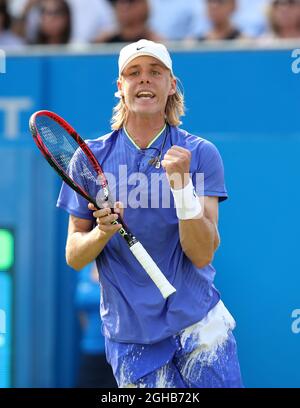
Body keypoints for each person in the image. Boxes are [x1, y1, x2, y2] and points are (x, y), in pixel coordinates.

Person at [57, 39, 243, 388]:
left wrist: (182, 187)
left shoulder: (200, 154)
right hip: (131, 339)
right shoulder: (87, 160)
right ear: (120, 87)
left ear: (171, 85)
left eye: (155, 72)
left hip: (200, 324)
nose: (145, 80)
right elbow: (74, 255)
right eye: (134, 73)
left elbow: (202, 253)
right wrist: (102, 232)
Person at [75, 262, 117, 388]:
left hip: (116, 352)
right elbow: (81, 310)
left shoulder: (119, 266)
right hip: (91, 348)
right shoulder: (86, 267)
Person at [94, 0, 160, 43]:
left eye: (130, 1)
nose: (123, 6)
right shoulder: (102, 43)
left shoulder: (158, 44)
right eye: (116, 1)